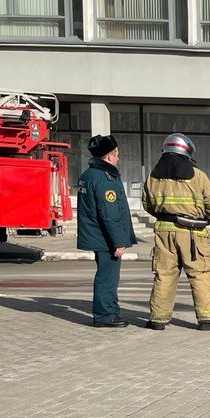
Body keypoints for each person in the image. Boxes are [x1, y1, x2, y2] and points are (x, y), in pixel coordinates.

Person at [142, 132, 210, 331]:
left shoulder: (153, 176)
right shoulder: (198, 176)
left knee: (164, 274)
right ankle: (208, 319)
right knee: (200, 274)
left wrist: (164, 215)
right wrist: (205, 220)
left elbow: (147, 204)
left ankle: (158, 320)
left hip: (164, 232)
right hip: (192, 233)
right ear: (187, 151)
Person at [75, 134, 136, 328]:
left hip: (96, 234)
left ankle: (110, 311)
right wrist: (118, 242)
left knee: (105, 275)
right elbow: (109, 214)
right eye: (117, 154)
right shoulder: (105, 178)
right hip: (105, 238)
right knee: (107, 278)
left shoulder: (88, 174)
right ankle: (105, 315)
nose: (118, 158)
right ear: (109, 156)